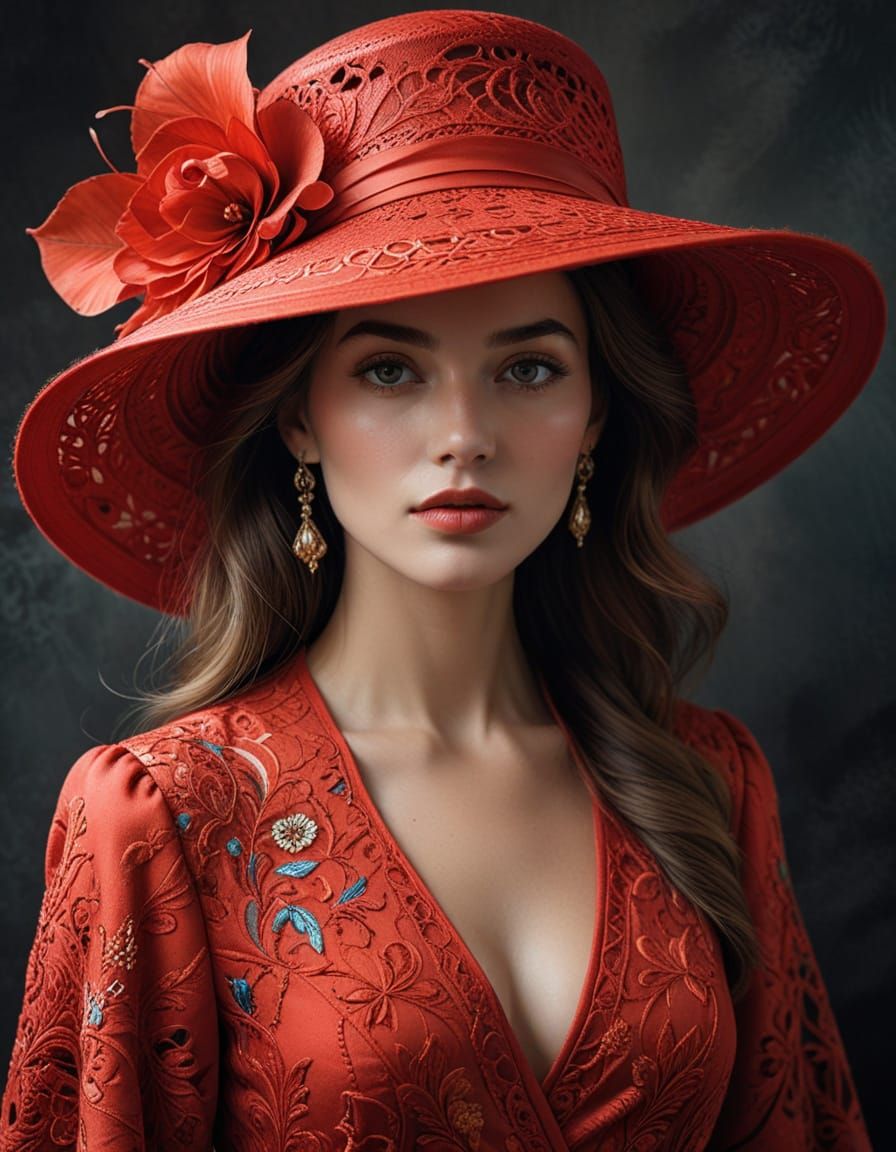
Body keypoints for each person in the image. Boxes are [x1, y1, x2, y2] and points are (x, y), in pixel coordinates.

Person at [1, 9, 883, 1151]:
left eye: (526, 367)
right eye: (387, 369)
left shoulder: (709, 784)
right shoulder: (164, 815)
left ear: (594, 416)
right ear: (301, 423)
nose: (462, 435)